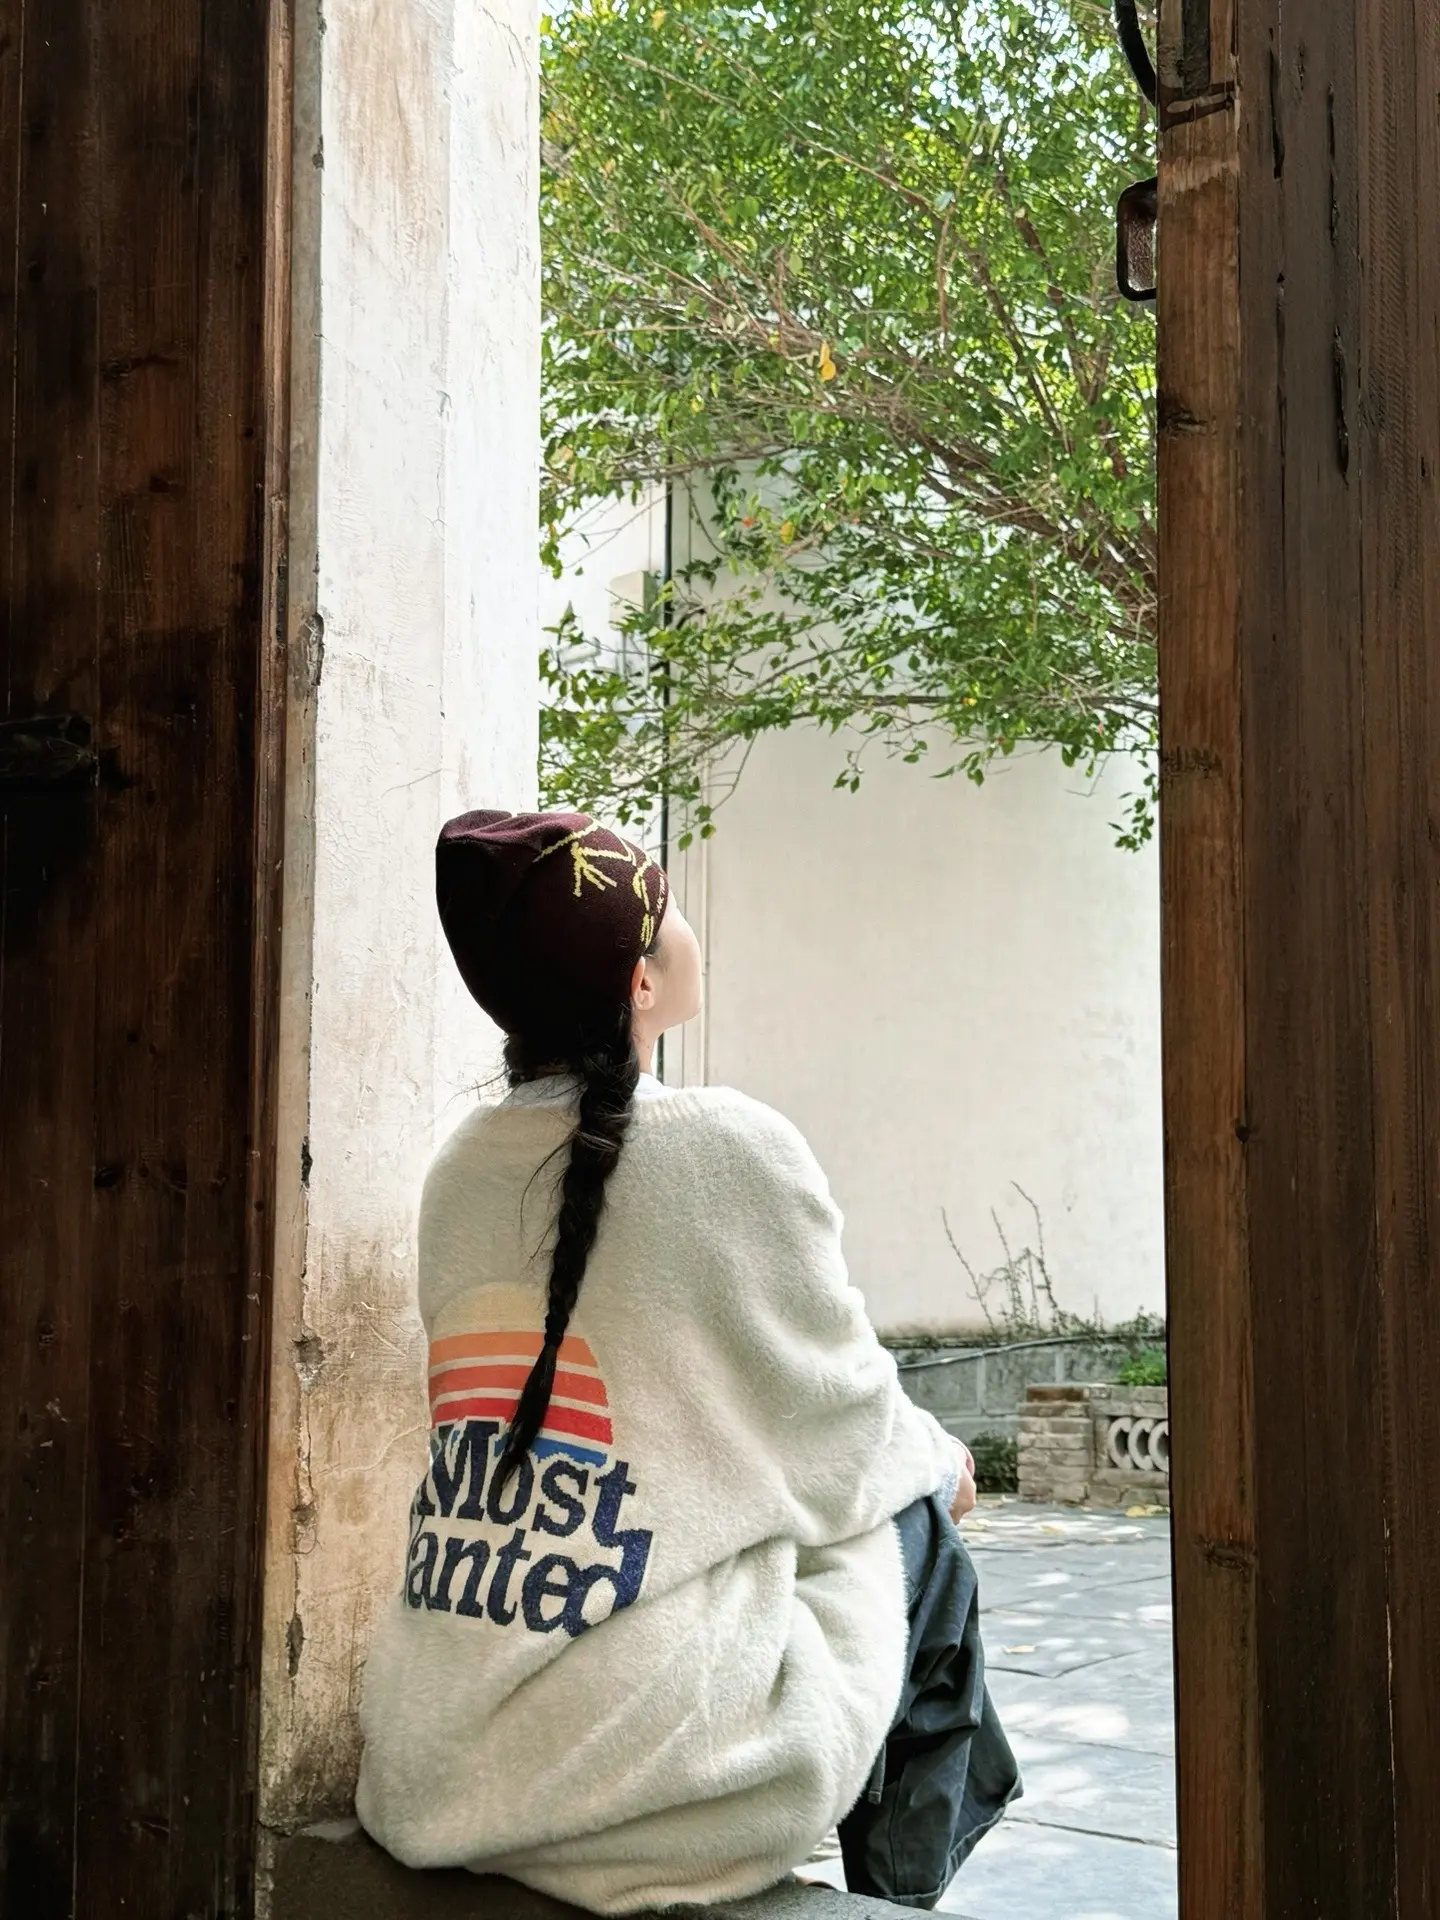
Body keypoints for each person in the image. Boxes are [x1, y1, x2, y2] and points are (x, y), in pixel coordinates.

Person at [356, 809, 1020, 1915]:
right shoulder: (733, 1150)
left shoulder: (458, 1171)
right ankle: (898, 1901)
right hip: (649, 1777)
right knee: (923, 1535)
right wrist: (940, 1464)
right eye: (666, 906)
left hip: (443, 1752)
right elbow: (845, 1427)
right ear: (643, 983)